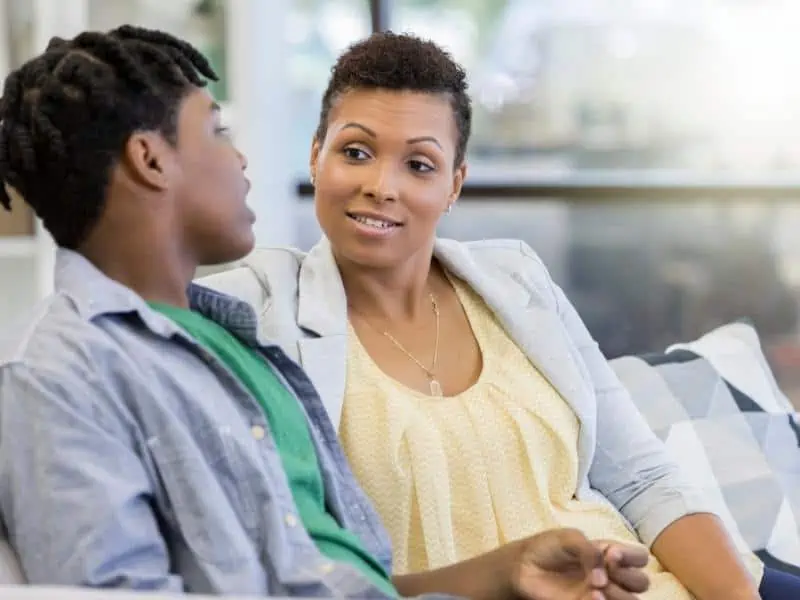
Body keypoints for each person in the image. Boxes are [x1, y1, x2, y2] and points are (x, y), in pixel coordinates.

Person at [0, 26, 650, 600]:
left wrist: (503, 576)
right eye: (217, 132)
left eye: (419, 163)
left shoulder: (233, 342)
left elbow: (330, 581)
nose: (242, 157)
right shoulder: (58, 376)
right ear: (150, 160)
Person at [200, 31, 800, 599]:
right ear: (316, 156)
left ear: (455, 184)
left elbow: (643, 478)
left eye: (419, 165)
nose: (382, 186)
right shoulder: (264, 306)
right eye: (355, 152)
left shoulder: (516, 280)